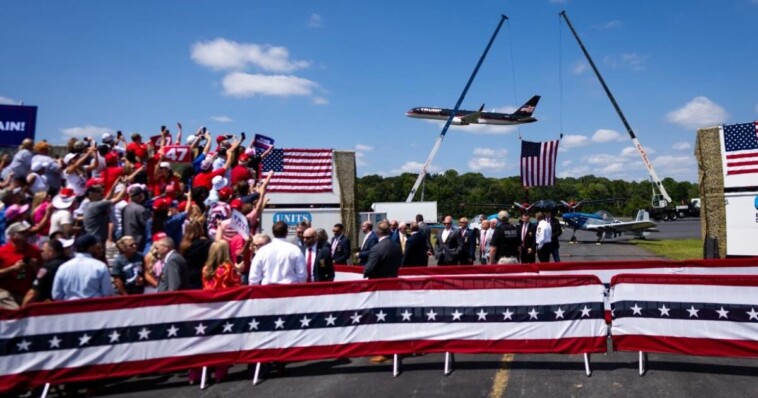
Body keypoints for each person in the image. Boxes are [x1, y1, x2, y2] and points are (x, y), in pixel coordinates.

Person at [188, 240, 241, 384]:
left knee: (203, 342)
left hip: (206, 308)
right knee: (221, 341)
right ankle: (220, 373)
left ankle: (195, 375)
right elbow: (237, 286)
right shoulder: (228, 268)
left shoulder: (205, 269)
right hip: (223, 308)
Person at [363, 219, 402, 364]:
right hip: (393, 285)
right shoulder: (396, 247)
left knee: (379, 319)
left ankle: (383, 350)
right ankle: (391, 347)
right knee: (391, 318)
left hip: (379, 288)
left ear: (378, 232)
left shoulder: (377, 248)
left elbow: (368, 270)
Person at [52, 234, 113, 300]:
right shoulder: (100, 266)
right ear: (91, 247)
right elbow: (107, 293)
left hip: (70, 308)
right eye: (95, 245)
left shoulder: (63, 268)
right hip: (94, 307)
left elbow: (56, 295)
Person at [0, 222, 43, 309]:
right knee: (16, 313)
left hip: (26, 293)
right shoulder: (2, 252)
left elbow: (42, 273)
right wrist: (13, 268)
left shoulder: (34, 250)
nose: (26, 235)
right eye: (22, 233)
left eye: (26, 232)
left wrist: (34, 266)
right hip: (5, 292)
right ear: (12, 236)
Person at [22, 239, 70, 306]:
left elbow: (33, 293)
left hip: (49, 306)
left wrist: (21, 310)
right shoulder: (70, 264)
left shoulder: (47, 267)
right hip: (69, 304)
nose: (42, 254)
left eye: (44, 251)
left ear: (51, 251)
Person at [179, 220, 212, 289]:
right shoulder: (207, 244)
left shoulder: (183, 246)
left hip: (188, 278)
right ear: (200, 229)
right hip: (203, 276)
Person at [122, 184, 150, 251]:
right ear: (140, 196)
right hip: (138, 242)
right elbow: (147, 225)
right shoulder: (140, 209)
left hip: (127, 240)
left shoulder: (125, 208)